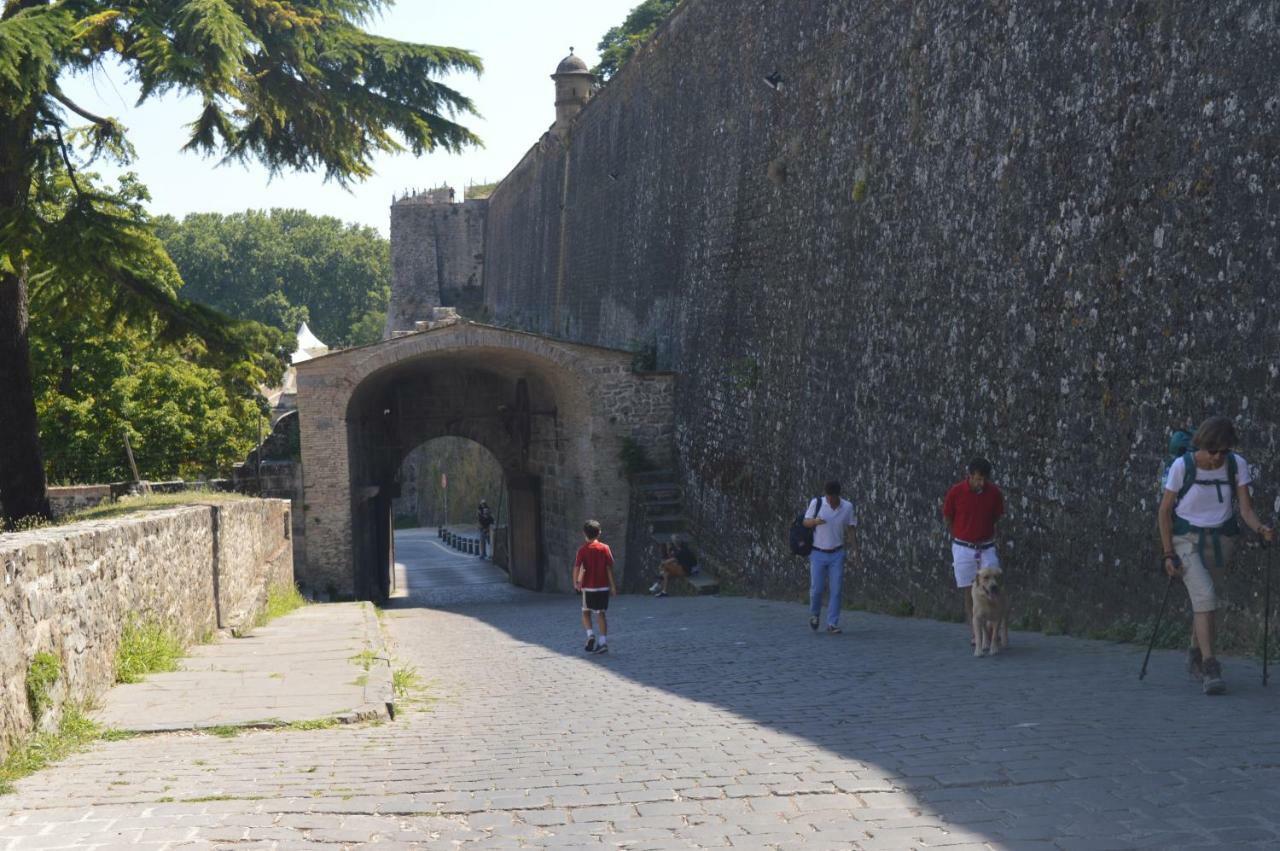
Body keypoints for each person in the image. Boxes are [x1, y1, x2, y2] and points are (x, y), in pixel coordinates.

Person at [1158, 416, 1274, 695]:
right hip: (1186, 538)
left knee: (1205, 601)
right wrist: (1168, 554)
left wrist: (1260, 528)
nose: (1218, 457)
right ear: (1201, 446)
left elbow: (1245, 509)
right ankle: (1211, 667)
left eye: (1224, 451)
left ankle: (1194, 654)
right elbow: (1164, 511)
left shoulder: (1237, 465)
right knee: (1206, 597)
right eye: (1213, 451)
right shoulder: (1181, 466)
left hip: (1222, 540)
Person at [943, 458, 1004, 642]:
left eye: (984, 479)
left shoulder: (994, 493)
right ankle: (975, 631)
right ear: (970, 476)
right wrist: (960, 533)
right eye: (978, 479)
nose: (981, 483)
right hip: (963, 546)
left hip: (986, 546)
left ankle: (993, 629)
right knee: (969, 590)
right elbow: (948, 516)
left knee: (994, 584)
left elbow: (997, 516)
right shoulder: (956, 492)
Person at [802, 480, 857, 634]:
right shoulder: (817, 503)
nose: (830, 500)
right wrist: (814, 521)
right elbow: (805, 522)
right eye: (828, 497)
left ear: (838, 496)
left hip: (837, 553)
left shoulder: (847, 507)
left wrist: (855, 551)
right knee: (817, 589)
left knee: (837, 589)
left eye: (832, 498)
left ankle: (832, 623)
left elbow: (851, 529)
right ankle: (815, 615)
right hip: (818, 552)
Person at [573, 519, 616, 654]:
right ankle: (602, 642)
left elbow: (577, 567)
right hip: (603, 587)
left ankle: (590, 635)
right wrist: (613, 586)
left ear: (584, 534)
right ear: (599, 533)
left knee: (586, 612)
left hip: (588, 587)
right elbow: (609, 568)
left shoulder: (582, 550)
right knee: (601, 613)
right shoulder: (605, 548)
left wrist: (576, 583)